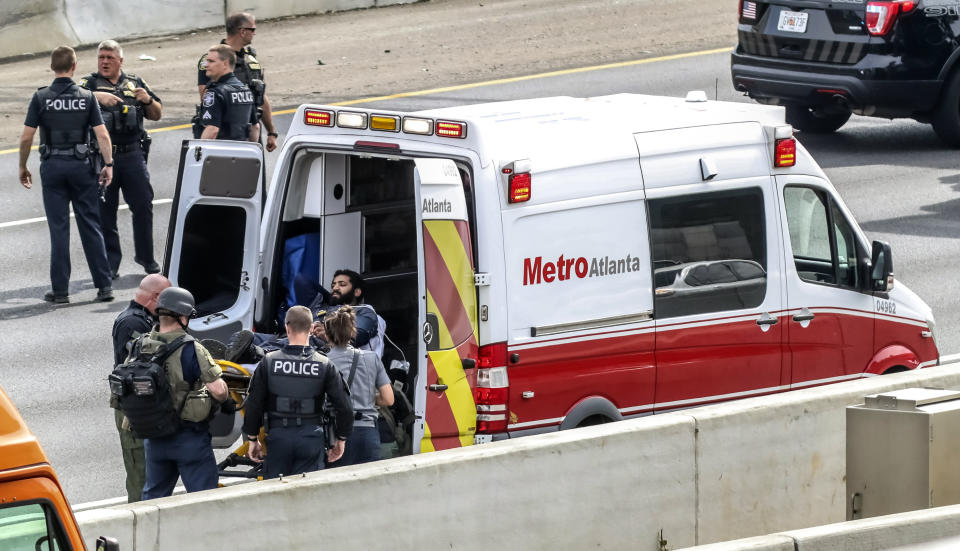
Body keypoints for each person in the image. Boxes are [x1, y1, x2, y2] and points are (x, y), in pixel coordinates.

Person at [18, 45, 115, 304]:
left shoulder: (41, 97)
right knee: (91, 225)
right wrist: (109, 164)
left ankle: (60, 291)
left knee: (59, 229)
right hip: (81, 167)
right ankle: (104, 286)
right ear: (74, 67)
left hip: (52, 167)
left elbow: (27, 135)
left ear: (52, 67)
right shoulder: (86, 96)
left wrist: (22, 165)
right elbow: (102, 134)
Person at [79, 40, 162, 278]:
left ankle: (146, 258)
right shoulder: (89, 84)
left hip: (133, 154)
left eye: (109, 58)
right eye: (101, 57)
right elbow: (75, 99)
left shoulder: (135, 82)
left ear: (120, 61)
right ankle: (111, 263)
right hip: (103, 157)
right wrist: (96, 96)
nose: (104, 62)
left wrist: (147, 100)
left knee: (143, 206)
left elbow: (156, 114)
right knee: (105, 212)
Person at [243, 305, 353, 478]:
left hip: (278, 439)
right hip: (311, 438)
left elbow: (254, 403)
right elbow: (345, 407)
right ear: (310, 328)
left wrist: (252, 439)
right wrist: (341, 439)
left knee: (277, 494)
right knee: (308, 497)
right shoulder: (325, 364)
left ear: (287, 327)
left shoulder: (268, 362)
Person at [140, 287, 228, 499]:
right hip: (188, 438)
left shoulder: (140, 345)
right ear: (182, 317)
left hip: (154, 438)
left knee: (153, 501)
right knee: (204, 500)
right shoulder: (191, 348)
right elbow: (218, 391)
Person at [226, 269, 382, 363]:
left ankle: (254, 354)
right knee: (243, 335)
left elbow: (358, 335)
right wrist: (331, 299)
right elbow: (302, 280)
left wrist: (328, 335)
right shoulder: (320, 307)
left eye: (342, 285)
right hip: (287, 338)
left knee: (287, 343)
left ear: (357, 292)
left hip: (316, 347)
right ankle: (234, 354)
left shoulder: (364, 311)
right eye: (333, 284)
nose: (335, 287)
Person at [110, 273, 170, 502]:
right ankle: (140, 517)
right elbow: (142, 365)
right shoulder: (132, 322)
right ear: (155, 297)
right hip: (133, 406)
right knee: (141, 472)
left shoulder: (144, 318)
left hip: (144, 402)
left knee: (153, 470)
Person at [197, 12, 279, 151]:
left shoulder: (251, 61)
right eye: (253, 29)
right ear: (242, 31)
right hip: (223, 134)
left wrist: (271, 132)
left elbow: (261, 97)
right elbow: (206, 97)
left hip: (249, 130)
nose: (254, 33)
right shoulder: (213, 59)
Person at [324, 306, 394, 467]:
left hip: (334, 433)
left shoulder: (322, 362)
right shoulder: (372, 359)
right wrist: (370, 398)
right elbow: (389, 399)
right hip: (367, 433)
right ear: (353, 332)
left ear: (327, 335)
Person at [194, 44, 254, 141]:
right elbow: (255, 127)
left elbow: (212, 130)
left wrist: (198, 153)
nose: (206, 65)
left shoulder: (215, 93)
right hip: (243, 152)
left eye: (211, 61)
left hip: (220, 152)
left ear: (225, 64)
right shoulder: (246, 90)